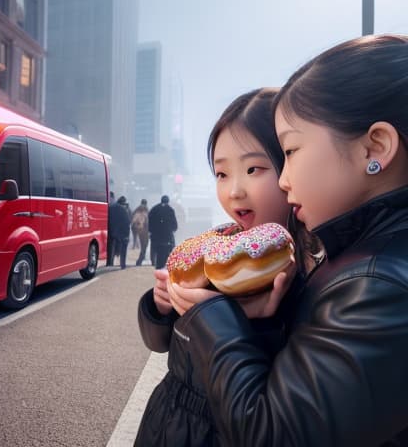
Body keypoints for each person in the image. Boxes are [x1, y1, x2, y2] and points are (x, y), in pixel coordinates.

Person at [150, 34, 408, 446]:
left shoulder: (374, 282)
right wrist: (165, 306)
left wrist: (219, 317)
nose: (286, 181)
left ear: (376, 147)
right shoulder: (345, 254)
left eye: (288, 153)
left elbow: (272, 429)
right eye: (220, 173)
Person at [135, 87, 314, 445]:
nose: (234, 191)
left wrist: (249, 319)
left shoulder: (308, 271)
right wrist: (160, 308)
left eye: (253, 169)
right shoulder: (216, 253)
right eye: (221, 174)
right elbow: (160, 343)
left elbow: (279, 411)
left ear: (290, 167)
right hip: (167, 422)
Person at [148, 195, 178, 269]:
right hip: (167, 236)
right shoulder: (170, 210)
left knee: (154, 249)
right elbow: (175, 225)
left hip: (156, 236)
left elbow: (150, 221)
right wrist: (173, 229)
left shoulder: (154, 209)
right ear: (168, 201)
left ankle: (153, 262)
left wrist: (151, 231)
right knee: (171, 249)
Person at [107, 195, 131, 269]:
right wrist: (127, 234)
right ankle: (122, 264)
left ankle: (110, 264)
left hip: (111, 231)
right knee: (123, 249)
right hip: (122, 233)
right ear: (123, 203)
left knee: (111, 249)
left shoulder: (110, 207)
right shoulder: (124, 210)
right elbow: (127, 222)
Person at [131, 199, 149, 266]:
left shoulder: (137, 209)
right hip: (144, 229)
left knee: (141, 243)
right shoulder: (146, 209)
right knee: (145, 245)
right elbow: (148, 220)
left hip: (135, 227)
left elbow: (132, 216)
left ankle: (135, 246)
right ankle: (140, 259)